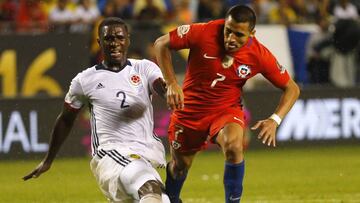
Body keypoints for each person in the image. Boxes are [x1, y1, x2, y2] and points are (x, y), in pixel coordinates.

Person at [154, 4, 300, 203]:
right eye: (228, 31)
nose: (231, 39)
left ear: (252, 33)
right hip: (189, 111)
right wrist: (171, 82)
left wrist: (275, 119)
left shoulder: (258, 54)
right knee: (180, 167)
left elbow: (292, 88)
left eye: (239, 35)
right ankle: (171, 198)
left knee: (234, 146)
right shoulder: (204, 31)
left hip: (225, 110)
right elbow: (161, 43)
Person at [23, 17, 171, 203]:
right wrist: (48, 160)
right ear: (99, 42)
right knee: (150, 186)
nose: (115, 43)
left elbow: (161, 87)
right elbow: (66, 120)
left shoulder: (144, 68)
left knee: (161, 200)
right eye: (109, 39)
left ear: (128, 40)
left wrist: (171, 93)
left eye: (119, 38)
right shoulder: (85, 81)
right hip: (110, 154)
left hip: (143, 154)